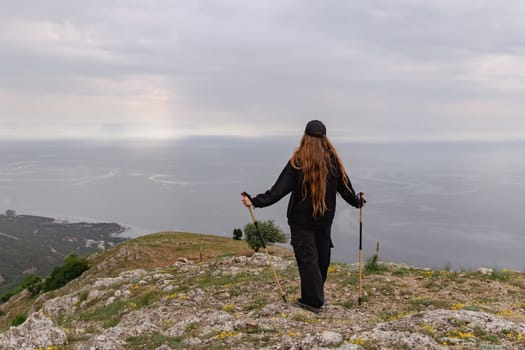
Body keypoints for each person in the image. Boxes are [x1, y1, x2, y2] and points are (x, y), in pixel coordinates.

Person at [241, 120, 365, 313]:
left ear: (305, 136)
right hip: (324, 220)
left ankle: (312, 301)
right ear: (324, 138)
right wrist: (357, 201)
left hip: (300, 221)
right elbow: (346, 189)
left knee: (308, 259)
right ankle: (313, 297)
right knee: (321, 259)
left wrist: (255, 201)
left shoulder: (298, 161)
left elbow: (278, 190)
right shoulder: (332, 160)